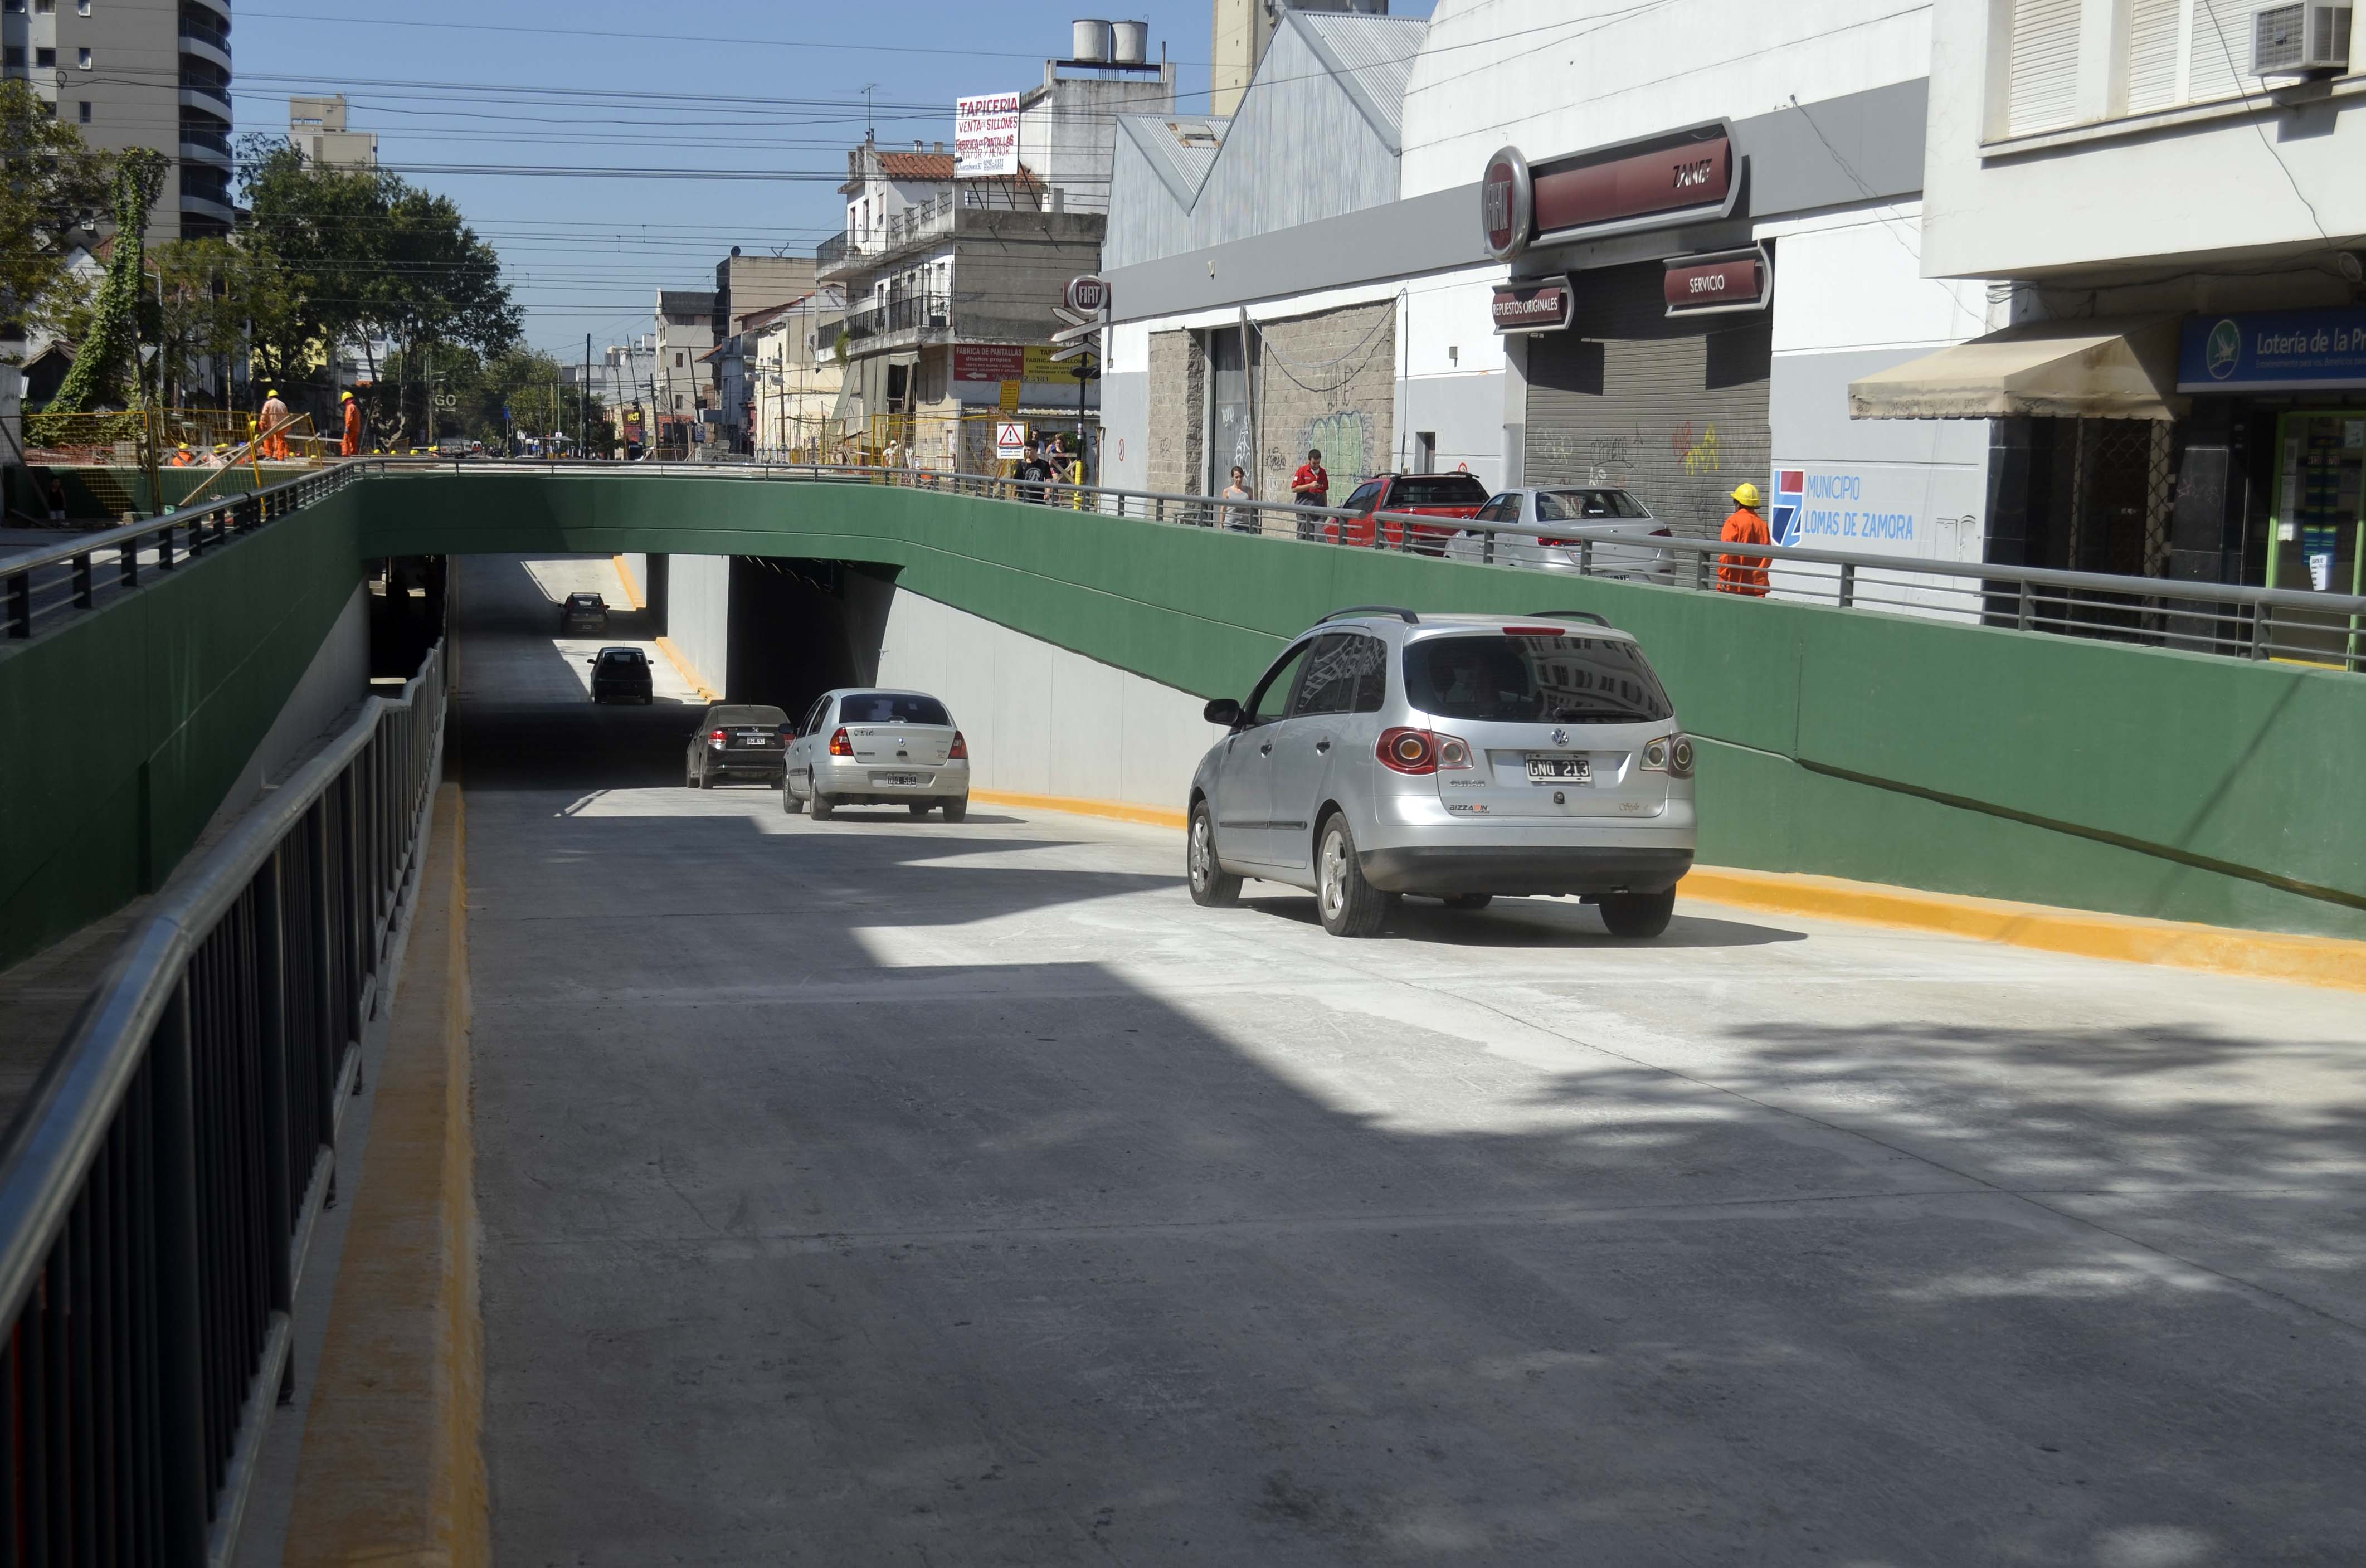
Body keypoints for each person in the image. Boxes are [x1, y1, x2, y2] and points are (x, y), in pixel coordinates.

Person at [1718, 481, 1772, 597]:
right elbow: (1768, 556)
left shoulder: (1733, 522)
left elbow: (1727, 553)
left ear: (1738, 504)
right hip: (1757, 586)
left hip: (1734, 585)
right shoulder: (1763, 525)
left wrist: (1723, 577)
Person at [1291, 447, 1329, 540]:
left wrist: (1326, 508)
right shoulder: (1302, 471)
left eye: (1318, 463)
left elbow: (1324, 491)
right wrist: (1309, 486)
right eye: (1314, 463)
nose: (1316, 465)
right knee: (1303, 536)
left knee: (1319, 536)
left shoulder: (1323, 472)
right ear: (1309, 461)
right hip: (1304, 510)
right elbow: (1294, 488)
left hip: (1319, 511)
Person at [1014, 439, 1055, 503]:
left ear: (1036, 450)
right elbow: (1016, 484)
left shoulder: (1044, 464)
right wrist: (1013, 498)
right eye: (1026, 450)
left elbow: (1048, 481)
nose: (1027, 452)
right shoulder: (1022, 464)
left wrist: (1048, 494)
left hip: (1038, 500)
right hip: (1023, 499)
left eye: (1029, 450)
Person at [1221, 465, 1255, 533]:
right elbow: (1223, 509)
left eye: (1241, 477)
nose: (1239, 479)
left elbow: (1252, 509)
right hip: (1230, 526)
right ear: (1233, 478)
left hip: (1244, 527)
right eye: (1237, 477)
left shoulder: (1249, 491)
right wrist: (1221, 525)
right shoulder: (1227, 491)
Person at [259, 388, 290, 461]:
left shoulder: (268, 403)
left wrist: (262, 422)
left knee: (267, 439)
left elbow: (264, 414)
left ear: (269, 396)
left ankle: (269, 455)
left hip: (271, 426)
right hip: (281, 426)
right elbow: (287, 416)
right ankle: (280, 457)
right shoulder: (283, 404)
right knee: (280, 441)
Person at [340, 390, 362, 457]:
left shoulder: (350, 407)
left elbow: (350, 418)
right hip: (356, 429)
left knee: (346, 441)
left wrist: (347, 427)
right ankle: (354, 454)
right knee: (354, 443)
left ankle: (345, 454)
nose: (345, 403)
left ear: (347, 400)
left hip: (351, 429)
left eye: (345, 401)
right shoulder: (356, 408)